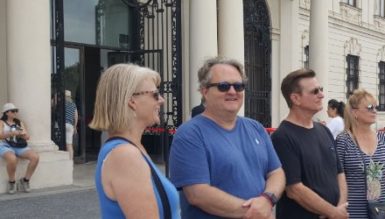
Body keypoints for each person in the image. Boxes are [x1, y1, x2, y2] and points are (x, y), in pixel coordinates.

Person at [169, 57, 285, 218]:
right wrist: (255, 212)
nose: (232, 91)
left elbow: (276, 172)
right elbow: (197, 194)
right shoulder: (190, 134)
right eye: (223, 86)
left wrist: (267, 200)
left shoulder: (256, 128)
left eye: (238, 86)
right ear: (204, 91)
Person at [89, 63, 179, 218]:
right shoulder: (125, 155)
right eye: (155, 94)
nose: (162, 100)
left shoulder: (130, 148)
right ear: (132, 101)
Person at [271, 68, 348, 219]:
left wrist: (340, 208)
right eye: (315, 91)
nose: (322, 95)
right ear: (295, 98)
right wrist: (333, 212)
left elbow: (340, 173)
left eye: (321, 89)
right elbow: (294, 189)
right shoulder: (282, 137)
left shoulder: (324, 130)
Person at [334, 89, 385, 218]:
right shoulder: (343, 140)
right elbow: (336, 179)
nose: (374, 111)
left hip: (380, 209)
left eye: (376, 107)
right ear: (355, 112)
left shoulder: (383, 138)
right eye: (370, 107)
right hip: (353, 210)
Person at [1, 103, 39, 194]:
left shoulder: (19, 122)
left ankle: (25, 180)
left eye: (16, 111)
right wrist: (11, 133)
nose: (15, 113)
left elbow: (27, 136)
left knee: (35, 157)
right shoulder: (1, 122)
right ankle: (12, 182)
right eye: (13, 111)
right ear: (6, 113)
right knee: (12, 159)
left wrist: (24, 135)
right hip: (4, 145)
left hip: (19, 145)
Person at [65, 90, 78, 160]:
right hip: (70, 125)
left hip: (63, 125)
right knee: (69, 145)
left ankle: (65, 160)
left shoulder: (63, 104)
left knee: (61, 143)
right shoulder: (73, 104)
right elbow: (76, 116)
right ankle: (70, 161)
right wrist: (75, 127)